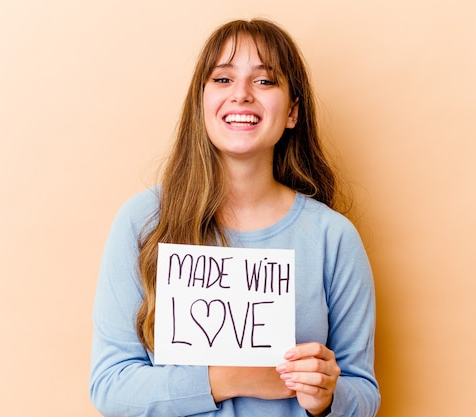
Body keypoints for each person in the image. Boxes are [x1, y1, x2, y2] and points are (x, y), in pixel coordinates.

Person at [90, 18, 380, 417]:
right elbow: (110, 386)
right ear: (202, 102)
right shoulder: (142, 221)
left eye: (264, 81)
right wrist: (234, 377)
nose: (241, 95)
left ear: (293, 111)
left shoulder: (333, 237)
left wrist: (327, 398)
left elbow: (363, 391)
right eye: (223, 79)